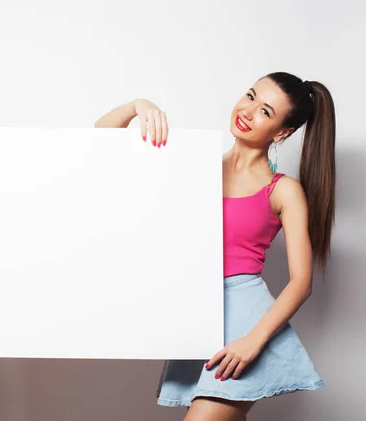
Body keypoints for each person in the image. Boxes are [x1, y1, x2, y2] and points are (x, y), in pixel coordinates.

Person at [95, 72, 335, 420]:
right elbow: (96, 145)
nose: (248, 110)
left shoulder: (283, 190)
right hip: (200, 316)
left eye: (265, 111)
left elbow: (302, 282)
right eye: (250, 96)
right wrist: (136, 106)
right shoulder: (193, 164)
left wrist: (253, 341)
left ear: (282, 132)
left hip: (247, 323)